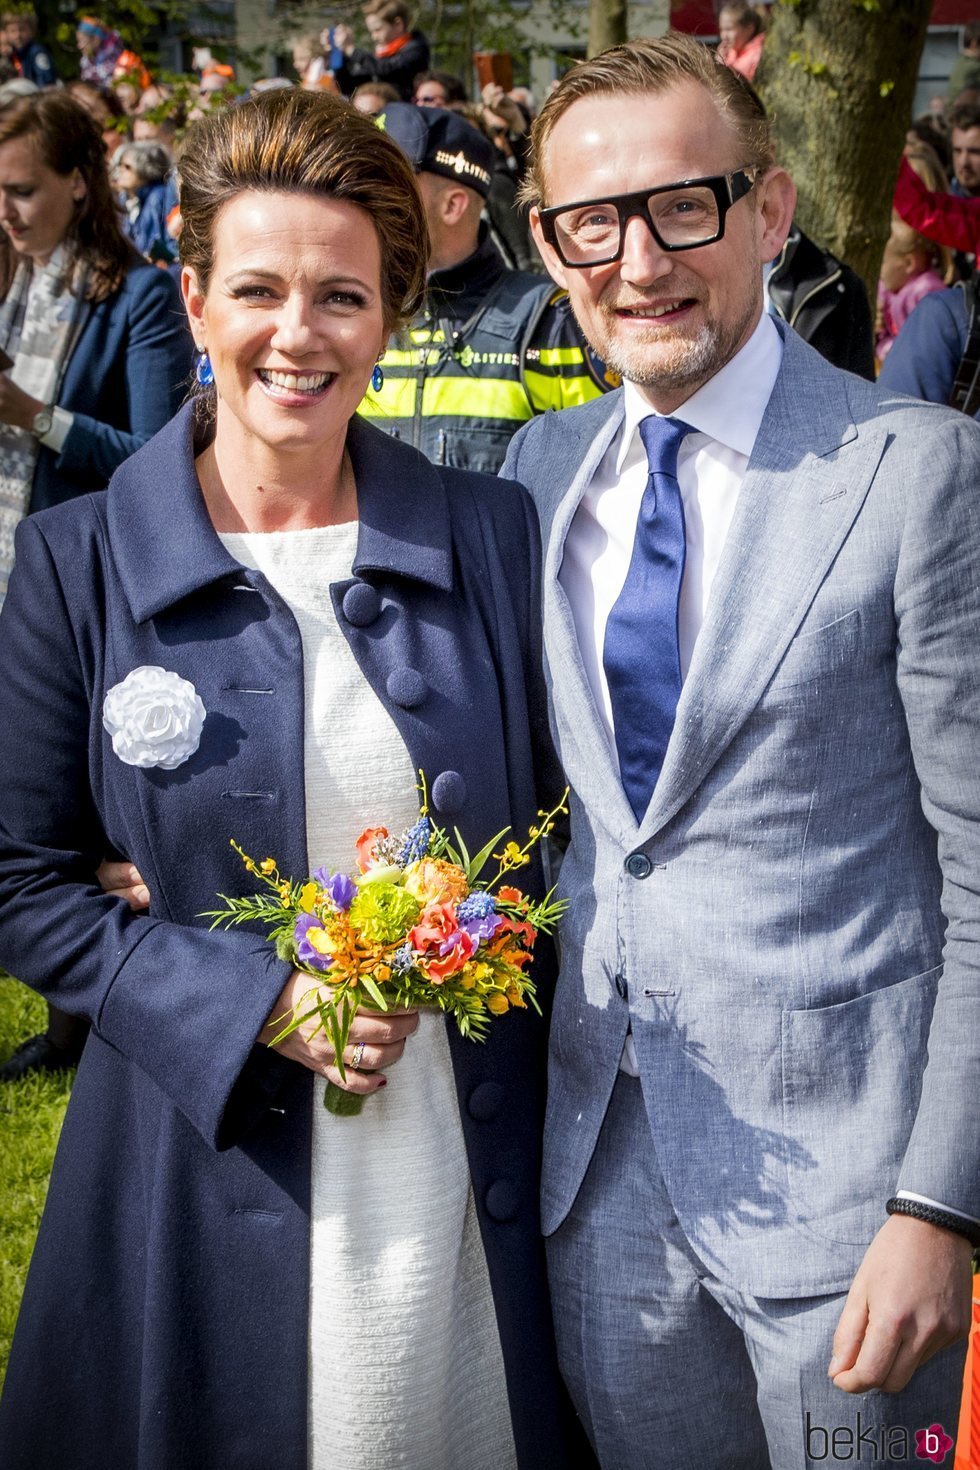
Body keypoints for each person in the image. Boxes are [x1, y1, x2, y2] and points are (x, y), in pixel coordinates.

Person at [0, 86, 586, 1470]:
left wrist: (472, 925)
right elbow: (20, 882)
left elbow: (566, 832)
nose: (298, 333)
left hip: (459, 1146)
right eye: (257, 288)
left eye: (343, 295)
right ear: (194, 299)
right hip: (202, 1158)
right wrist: (256, 996)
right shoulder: (78, 562)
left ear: (391, 316)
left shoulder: (493, 533)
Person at [502, 32, 979, 1468]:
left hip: (855, 1208)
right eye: (593, 221)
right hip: (599, 1193)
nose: (637, 261)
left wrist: (941, 1207)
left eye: (682, 205)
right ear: (549, 242)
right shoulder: (536, 472)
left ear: (770, 212)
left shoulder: (916, 472)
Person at [0, 90, 192, 1079]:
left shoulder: (139, 298)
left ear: (80, 186)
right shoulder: (12, 283)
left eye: (21, 191)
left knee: (80, 811)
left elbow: (154, 456)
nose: (5, 211)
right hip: (9, 564)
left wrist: (31, 410)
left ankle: (89, 1018)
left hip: (86, 581)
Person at [361, 102, 611, 473]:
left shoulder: (548, 321)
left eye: (385, 184)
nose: (362, 199)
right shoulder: (358, 309)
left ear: (453, 205)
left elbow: (602, 478)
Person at [875, 217, 949, 365]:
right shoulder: (890, 286)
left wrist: (888, 350)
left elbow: (926, 344)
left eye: (882, 262)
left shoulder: (927, 292)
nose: (879, 270)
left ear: (908, 263)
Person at [332, 0, 430, 102]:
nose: (374, 37)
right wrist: (338, 53)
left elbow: (386, 69)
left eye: (378, 30)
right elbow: (349, 87)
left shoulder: (416, 49)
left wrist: (351, 50)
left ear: (398, 24)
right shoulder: (381, 55)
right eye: (371, 31)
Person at [114, 138, 179, 263]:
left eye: (127, 166)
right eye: (120, 165)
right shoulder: (129, 198)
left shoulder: (157, 196)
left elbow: (153, 243)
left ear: (145, 168)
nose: (120, 170)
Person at [2, 8, 56, 88]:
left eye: (22, 30)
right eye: (13, 31)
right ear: (6, 33)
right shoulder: (12, 54)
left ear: (32, 31)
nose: (18, 36)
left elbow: (46, 81)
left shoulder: (37, 53)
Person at [717, 3, 765, 82]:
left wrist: (720, 67)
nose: (724, 36)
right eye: (721, 30)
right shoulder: (730, 53)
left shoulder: (756, 56)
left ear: (749, 28)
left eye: (729, 29)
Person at [75, 15, 124, 89]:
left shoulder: (115, 59)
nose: (79, 46)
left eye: (82, 41)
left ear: (96, 39)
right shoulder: (87, 61)